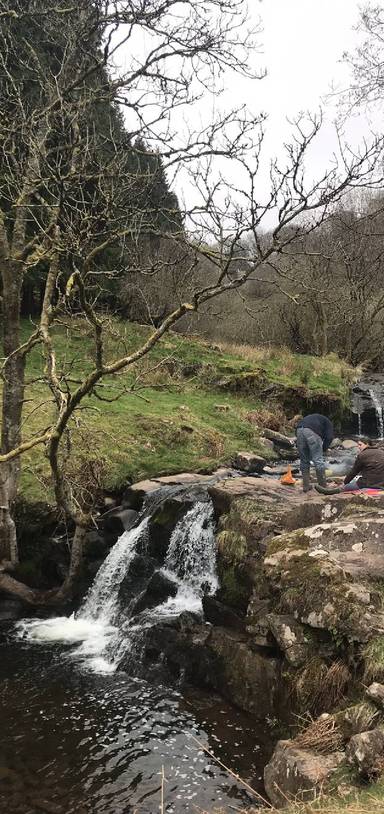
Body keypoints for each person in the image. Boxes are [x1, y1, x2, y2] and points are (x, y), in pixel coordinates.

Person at [316, 438, 384, 494]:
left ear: (367, 444)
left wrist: (345, 482)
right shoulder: (381, 452)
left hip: (369, 483)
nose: (358, 447)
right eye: (358, 445)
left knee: (348, 487)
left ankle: (329, 492)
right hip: (382, 484)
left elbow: (354, 472)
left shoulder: (362, 455)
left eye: (360, 445)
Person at [295, 413, 334, 493]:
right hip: (311, 432)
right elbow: (329, 437)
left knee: (304, 460)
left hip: (299, 430)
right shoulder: (328, 423)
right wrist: (324, 449)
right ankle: (323, 486)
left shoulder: (316, 419)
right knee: (318, 460)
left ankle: (306, 486)